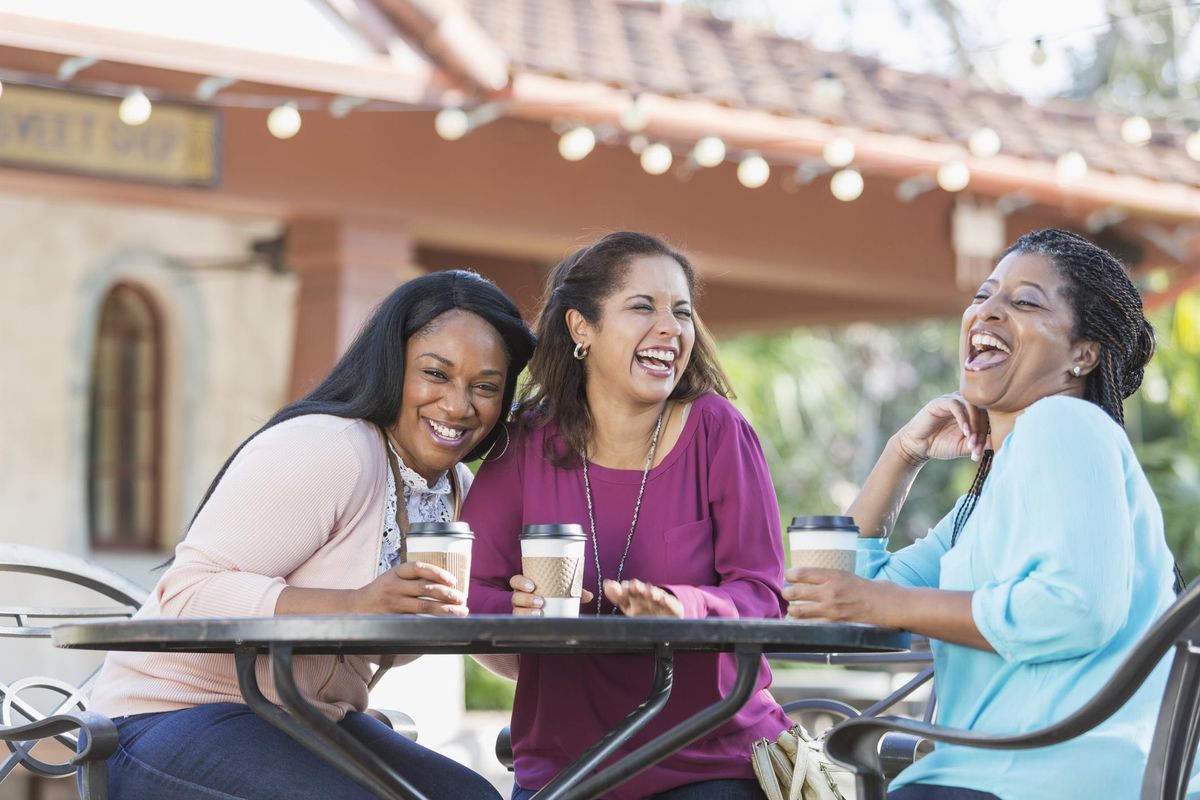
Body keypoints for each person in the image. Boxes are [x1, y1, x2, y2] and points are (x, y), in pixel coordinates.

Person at [86, 269, 535, 800]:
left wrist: (524, 614)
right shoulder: (330, 447)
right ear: (393, 367)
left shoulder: (455, 491)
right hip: (168, 717)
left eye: (485, 386)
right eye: (435, 374)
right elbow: (188, 593)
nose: (460, 406)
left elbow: (471, 628)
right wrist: (355, 603)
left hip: (302, 723)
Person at [784, 229, 1178, 800]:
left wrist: (878, 602)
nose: (988, 312)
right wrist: (902, 455)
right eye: (983, 295)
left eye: (1024, 302)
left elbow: (1077, 609)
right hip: (995, 774)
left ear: (1083, 355)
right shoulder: (989, 495)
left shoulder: (1065, 425)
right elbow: (840, 603)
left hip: (1045, 778)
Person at [466, 231, 791, 800]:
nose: (671, 328)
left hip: (709, 756)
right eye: (643, 307)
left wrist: (683, 608)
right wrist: (515, 608)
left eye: (682, 312)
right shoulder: (523, 444)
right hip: (563, 770)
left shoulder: (718, 432)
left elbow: (764, 593)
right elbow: (464, 588)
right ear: (580, 328)